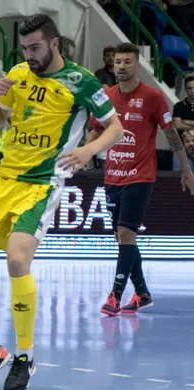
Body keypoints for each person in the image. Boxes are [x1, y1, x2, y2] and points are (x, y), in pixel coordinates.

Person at [0, 14, 123, 390]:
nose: (28, 55)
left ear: (53, 44)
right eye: (24, 48)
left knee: (17, 260)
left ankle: (25, 356)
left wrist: (88, 150)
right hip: (3, 177)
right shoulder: (17, 73)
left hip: (42, 183)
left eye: (35, 48)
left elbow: (115, 127)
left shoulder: (83, 82)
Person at [90, 43, 194, 316]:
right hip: (112, 175)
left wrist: (186, 170)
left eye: (127, 62)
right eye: (117, 62)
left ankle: (115, 295)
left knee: (126, 233)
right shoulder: (105, 97)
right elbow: (94, 132)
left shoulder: (153, 97)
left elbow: (172, 136)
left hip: (141, 176)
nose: (121, 66)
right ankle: (143, 293)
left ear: (137, 66)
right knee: (122, 237)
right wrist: (81, 157)